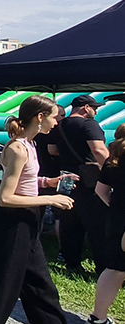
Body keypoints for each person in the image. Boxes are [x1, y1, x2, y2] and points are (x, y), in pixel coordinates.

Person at [0, 96, 77, 324]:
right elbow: (5, 197)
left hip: (29, 223)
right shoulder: (17, 149)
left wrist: (48, 182)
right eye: (54, 117)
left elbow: (24, 180)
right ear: (40, 117)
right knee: (2, 292)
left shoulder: (30, 144)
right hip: (14, 225)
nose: (56, 122)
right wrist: (50, 199)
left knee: (42, 290)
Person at [50, 94, 110, 275]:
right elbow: (98, 150)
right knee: (96, 225)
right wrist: (111, 170)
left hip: (66, 177)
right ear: (86, 108)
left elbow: (52, 150)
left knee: (69, 223)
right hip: (88, 181)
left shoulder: (59, 125)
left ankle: (72, 264)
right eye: (95, 108)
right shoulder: (89, 125)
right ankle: (103, 267)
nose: (96, 111)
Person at [85, 125, 125, 324]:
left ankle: (97, 318)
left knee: (114, 269)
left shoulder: (113, 160)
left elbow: (101, 190)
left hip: (116, 220)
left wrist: (116, 207)